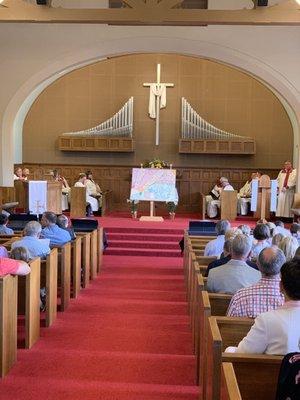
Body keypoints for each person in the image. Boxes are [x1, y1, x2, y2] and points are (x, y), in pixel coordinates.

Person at [227, 259, 300, 355]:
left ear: (281, 286)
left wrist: (229, 350)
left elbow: (243, 353)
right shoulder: (267, 319)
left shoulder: (267, 320)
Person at [227, 247, 285, 318]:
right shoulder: (292, 300)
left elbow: (228, 325)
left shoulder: (240, 297)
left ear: (258, 265)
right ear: (283, 267)